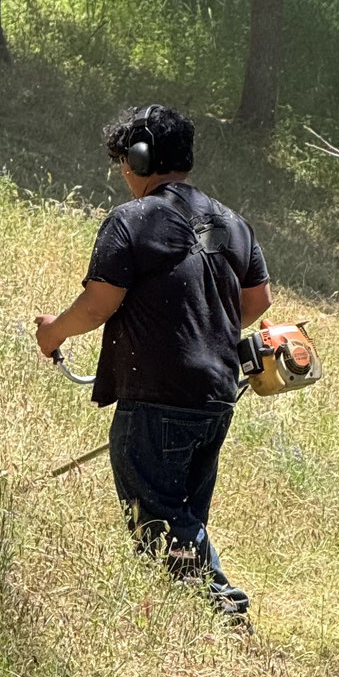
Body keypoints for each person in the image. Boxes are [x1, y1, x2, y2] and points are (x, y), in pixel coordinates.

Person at [34, 103, 272, 622]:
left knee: (158, 521)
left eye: (123, 159)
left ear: (139, 159)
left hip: (156, 398)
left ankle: (225, 613)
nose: (122, 171)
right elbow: (256, 303)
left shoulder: (132, 219)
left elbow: (99, 304)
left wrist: (52, 333)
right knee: (185, 516)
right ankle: (183, 625)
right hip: (215, 398)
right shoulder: (233, 223)